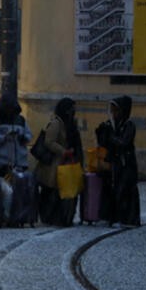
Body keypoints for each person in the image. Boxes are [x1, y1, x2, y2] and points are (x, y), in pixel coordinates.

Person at [35, 97, 84, 226]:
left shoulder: (71, 123)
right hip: (54, 164)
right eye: (71, 109)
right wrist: (63, 151)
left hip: (67, 163)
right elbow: (49, 141)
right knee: (52, 191)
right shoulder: (56, 123)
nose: (73, 112)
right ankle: (50, 217)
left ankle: (63, 218)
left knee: (65, 191)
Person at [96, 95, 140, 227]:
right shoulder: (114, 125)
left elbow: (124, 143)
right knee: (113, 189)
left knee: (125, 190)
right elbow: (106, 143)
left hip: (126, 164)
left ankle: (128, 218)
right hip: (116, 163)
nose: (114, 114)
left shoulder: (129, 125)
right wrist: (101, 134)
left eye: (116, 111)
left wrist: (111, 137)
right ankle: (113, 217)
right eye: (112, 111)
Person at [0, 92, 32, 179]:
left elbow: (29, 135)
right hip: (0, 164)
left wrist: (22, 136)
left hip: (19, 163)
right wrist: (4, 137)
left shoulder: (21, 120)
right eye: (8, 108)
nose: (10, 111)